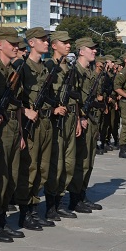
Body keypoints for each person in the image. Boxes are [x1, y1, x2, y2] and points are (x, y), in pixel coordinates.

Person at [0, 27, 26, 242]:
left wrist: (20, 133)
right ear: (0, 45)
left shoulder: (13, 71)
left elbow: (17, 103)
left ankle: (2, 221)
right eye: (13, 44)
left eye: (17, 44)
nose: (16, 47)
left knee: (12, 176)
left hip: (11, 126)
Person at [16, 27, 58, 230]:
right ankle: (25, 213)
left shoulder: (45, 69)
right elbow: (12, 99)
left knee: (43, 168)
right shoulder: (21, 68)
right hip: (32, 125)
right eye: (43, 39)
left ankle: (34, 209)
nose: (47, 42)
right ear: (31, 42)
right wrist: (25, 111)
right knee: (30, 168)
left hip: (47, 123)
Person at [46, 31, 80, 221]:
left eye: (69, 43)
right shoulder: (49, 66)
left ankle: (60, 201)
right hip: (56, 121)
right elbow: (45, 95)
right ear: (54, 45)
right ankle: (51, 205)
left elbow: (73, 98)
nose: (68, 46)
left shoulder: (69, 67)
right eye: (64, 43)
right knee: (56, 164)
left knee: (69, 163)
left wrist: (77, 120)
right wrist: (52, 110)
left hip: (69, 119)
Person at [70, 37, 103, 213]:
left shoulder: (90, 72)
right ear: (81, 51)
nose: (94, 51)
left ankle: (82, 194)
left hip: (92, 120)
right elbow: (73, 99)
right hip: (82, 120)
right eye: (91, 49)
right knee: (81, 160)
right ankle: (75, 198)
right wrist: (79, 117)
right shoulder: (75, 71)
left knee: (89, 160)